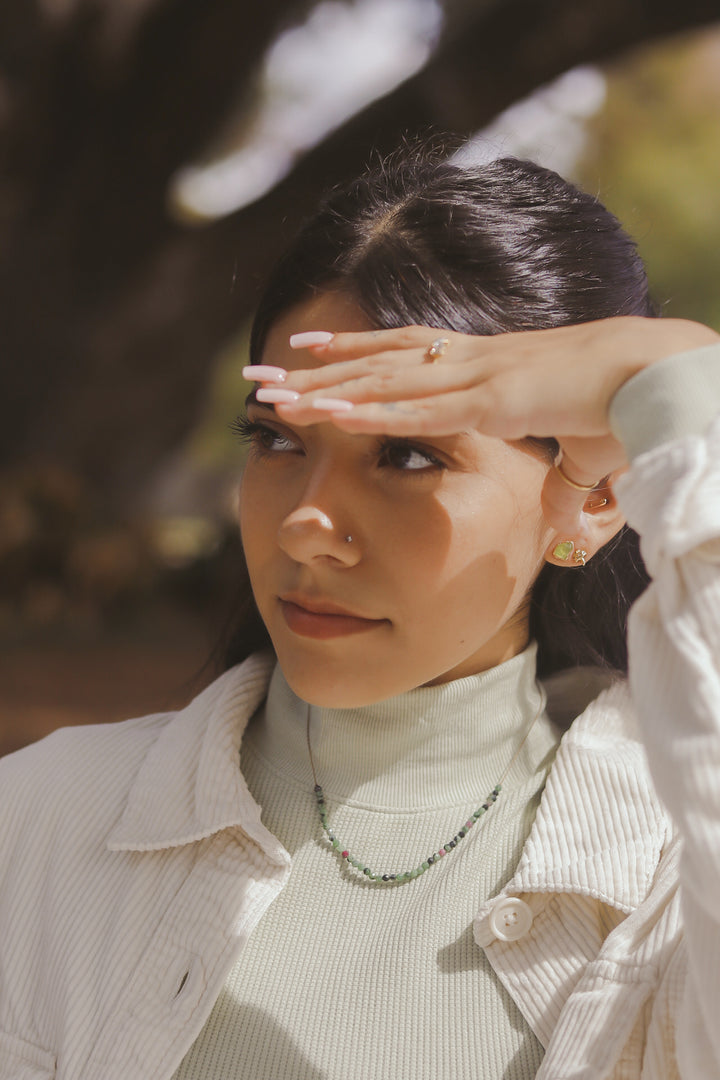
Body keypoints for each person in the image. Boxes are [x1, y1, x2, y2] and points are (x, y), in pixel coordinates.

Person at [1, 149, 719, 1080]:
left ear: (594, 497)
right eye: (275, 438)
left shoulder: (668, 887)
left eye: (407, 457)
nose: (305, 527)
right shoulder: (41, 819)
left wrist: (678, 380)